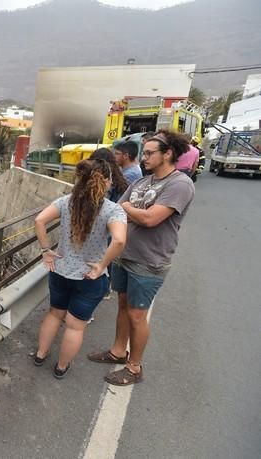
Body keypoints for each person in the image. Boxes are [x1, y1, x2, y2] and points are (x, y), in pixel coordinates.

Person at [88, 129, 195, 386]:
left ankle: (134, 367)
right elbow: (116, 209)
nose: (144, 158)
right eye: (144, 153)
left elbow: (150, 219)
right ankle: (117, 351)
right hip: (125, 255)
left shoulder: (179, 184)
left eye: (149, 153)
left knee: (137, 314)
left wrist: (127, 208)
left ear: (168, 154)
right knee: (123, 305)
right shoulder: (142, 183)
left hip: (149, 261)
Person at [32, 160, 127, 378]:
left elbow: (39, 221)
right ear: (105, 182)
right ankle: (61, 368)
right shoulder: (113, 210)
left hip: (60, 270)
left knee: (55, 314)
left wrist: (46, 250)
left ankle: (40, 354)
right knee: (75, 326)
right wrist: (102, 265)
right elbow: (119, 241)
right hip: (90, 277)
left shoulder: (66, 202)